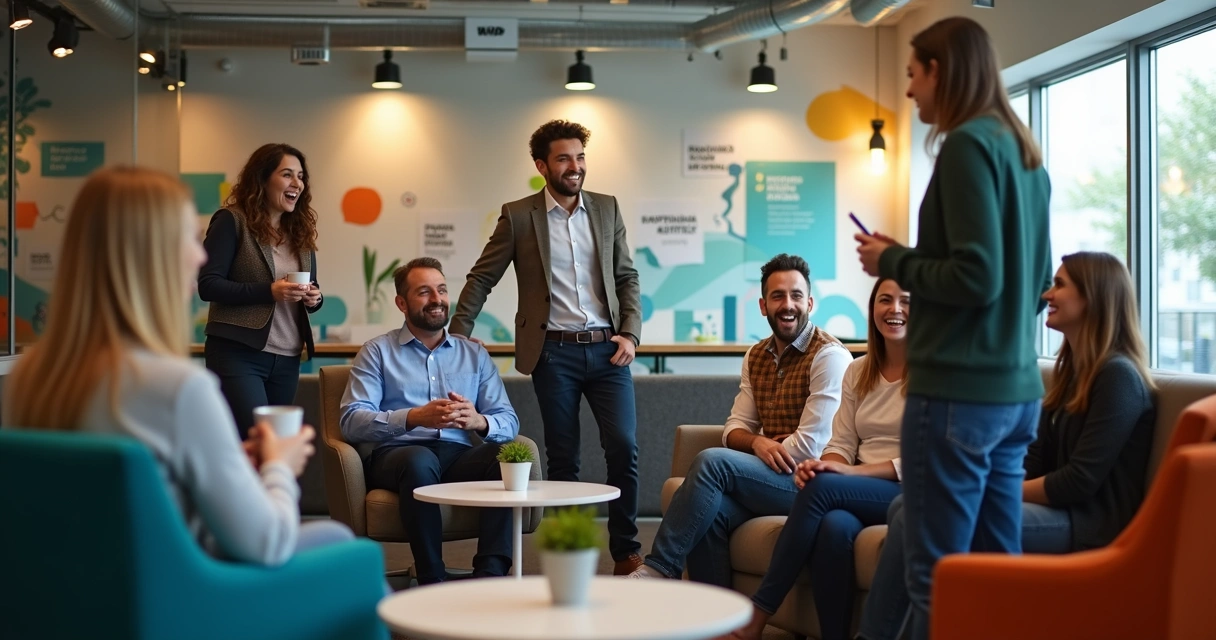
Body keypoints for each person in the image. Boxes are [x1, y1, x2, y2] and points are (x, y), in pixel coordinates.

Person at [4, 166, 347, 566]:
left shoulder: (30, 377)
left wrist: (224, 457)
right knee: (340, 541)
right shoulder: (178, 389)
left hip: (81, 597)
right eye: (188, 235)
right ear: (149, 254)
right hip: (185, 595)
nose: (201, 254)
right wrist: (278, 468)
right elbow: (266, 544)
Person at [853, 17, 1053, 640]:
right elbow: (1033, 279)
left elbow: (977, 276)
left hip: (957, 398)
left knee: (939, 580)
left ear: (939, 70)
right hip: (1014, 395)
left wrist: (893, 260)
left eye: (913, 75)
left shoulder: (968, 145)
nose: (909, 92)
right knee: (996, 572)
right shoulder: (1025, 156)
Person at [858, 252, 1157, 639]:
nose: (1048, 293)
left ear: (1094, 297)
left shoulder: (1119, 377)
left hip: (1089, 525)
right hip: (1055, 510)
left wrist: (991, 493)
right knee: (906, 503)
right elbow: (1033, 459)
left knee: (923, 515)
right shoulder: (1071, 374)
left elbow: (1078, 482)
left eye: (1061, 284)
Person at [450, 119, 645, 575]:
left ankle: (627, 550)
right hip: (553, 353)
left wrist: (631, 333)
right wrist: (458, 334)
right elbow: (483, 276)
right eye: (564, 158)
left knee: (624, 446)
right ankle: (569, 553)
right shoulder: (520, 216)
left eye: (580, 158)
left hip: (607, 350)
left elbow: (626, 277)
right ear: (542, 165)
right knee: (564, 457)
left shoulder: (606, 208)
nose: (575, 167)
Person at [627, 254, 852, 585]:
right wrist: (758, 443)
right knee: (708, 509)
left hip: (812, 485)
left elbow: (808, 448)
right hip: (770, 479)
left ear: (810, 303)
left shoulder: (829, 356)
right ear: (763, 305)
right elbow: (734, 428)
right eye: (777, 296)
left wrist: (756, 449)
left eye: (796, 295)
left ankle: (659, 568)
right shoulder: (756, 355)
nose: (787, 304)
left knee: (712, 463)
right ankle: (719, 619)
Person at [732, 278, 910, 640]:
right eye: (885, 300)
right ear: (872, 308)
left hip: (910, 490)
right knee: (834, 528)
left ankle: (758, 613)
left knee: (825, 486)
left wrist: (844, 474)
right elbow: (841, 443)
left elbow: (927, 459)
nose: (894, 310)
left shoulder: (937, 376)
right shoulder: (859, 370)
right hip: (858, 486)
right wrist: (824, 463)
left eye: (906, 301)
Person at [340, 257, 520, 585]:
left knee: (505, 456)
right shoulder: (377, 352)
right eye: (424, 292)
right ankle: (431, 577)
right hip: (397, 456)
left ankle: (491, 575)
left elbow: (508, 419)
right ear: (401, 302)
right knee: (419, 458)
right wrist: (412, 418)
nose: (436, 299)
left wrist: (479, 421)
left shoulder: (474, 354)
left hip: (456, 455)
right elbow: (351, 420)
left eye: (441, 290)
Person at [198, 143, 324, 437]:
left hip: (288, 357)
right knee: (258, 442)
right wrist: (269, 291)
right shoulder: (232, 221)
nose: (298, 184)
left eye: (301, 177)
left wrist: (314, 297)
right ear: (263, 179)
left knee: (276, 447)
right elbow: (208, 285)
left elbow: (308, 290)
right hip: (237, 353)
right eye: (287, 175)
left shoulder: (300, 232)